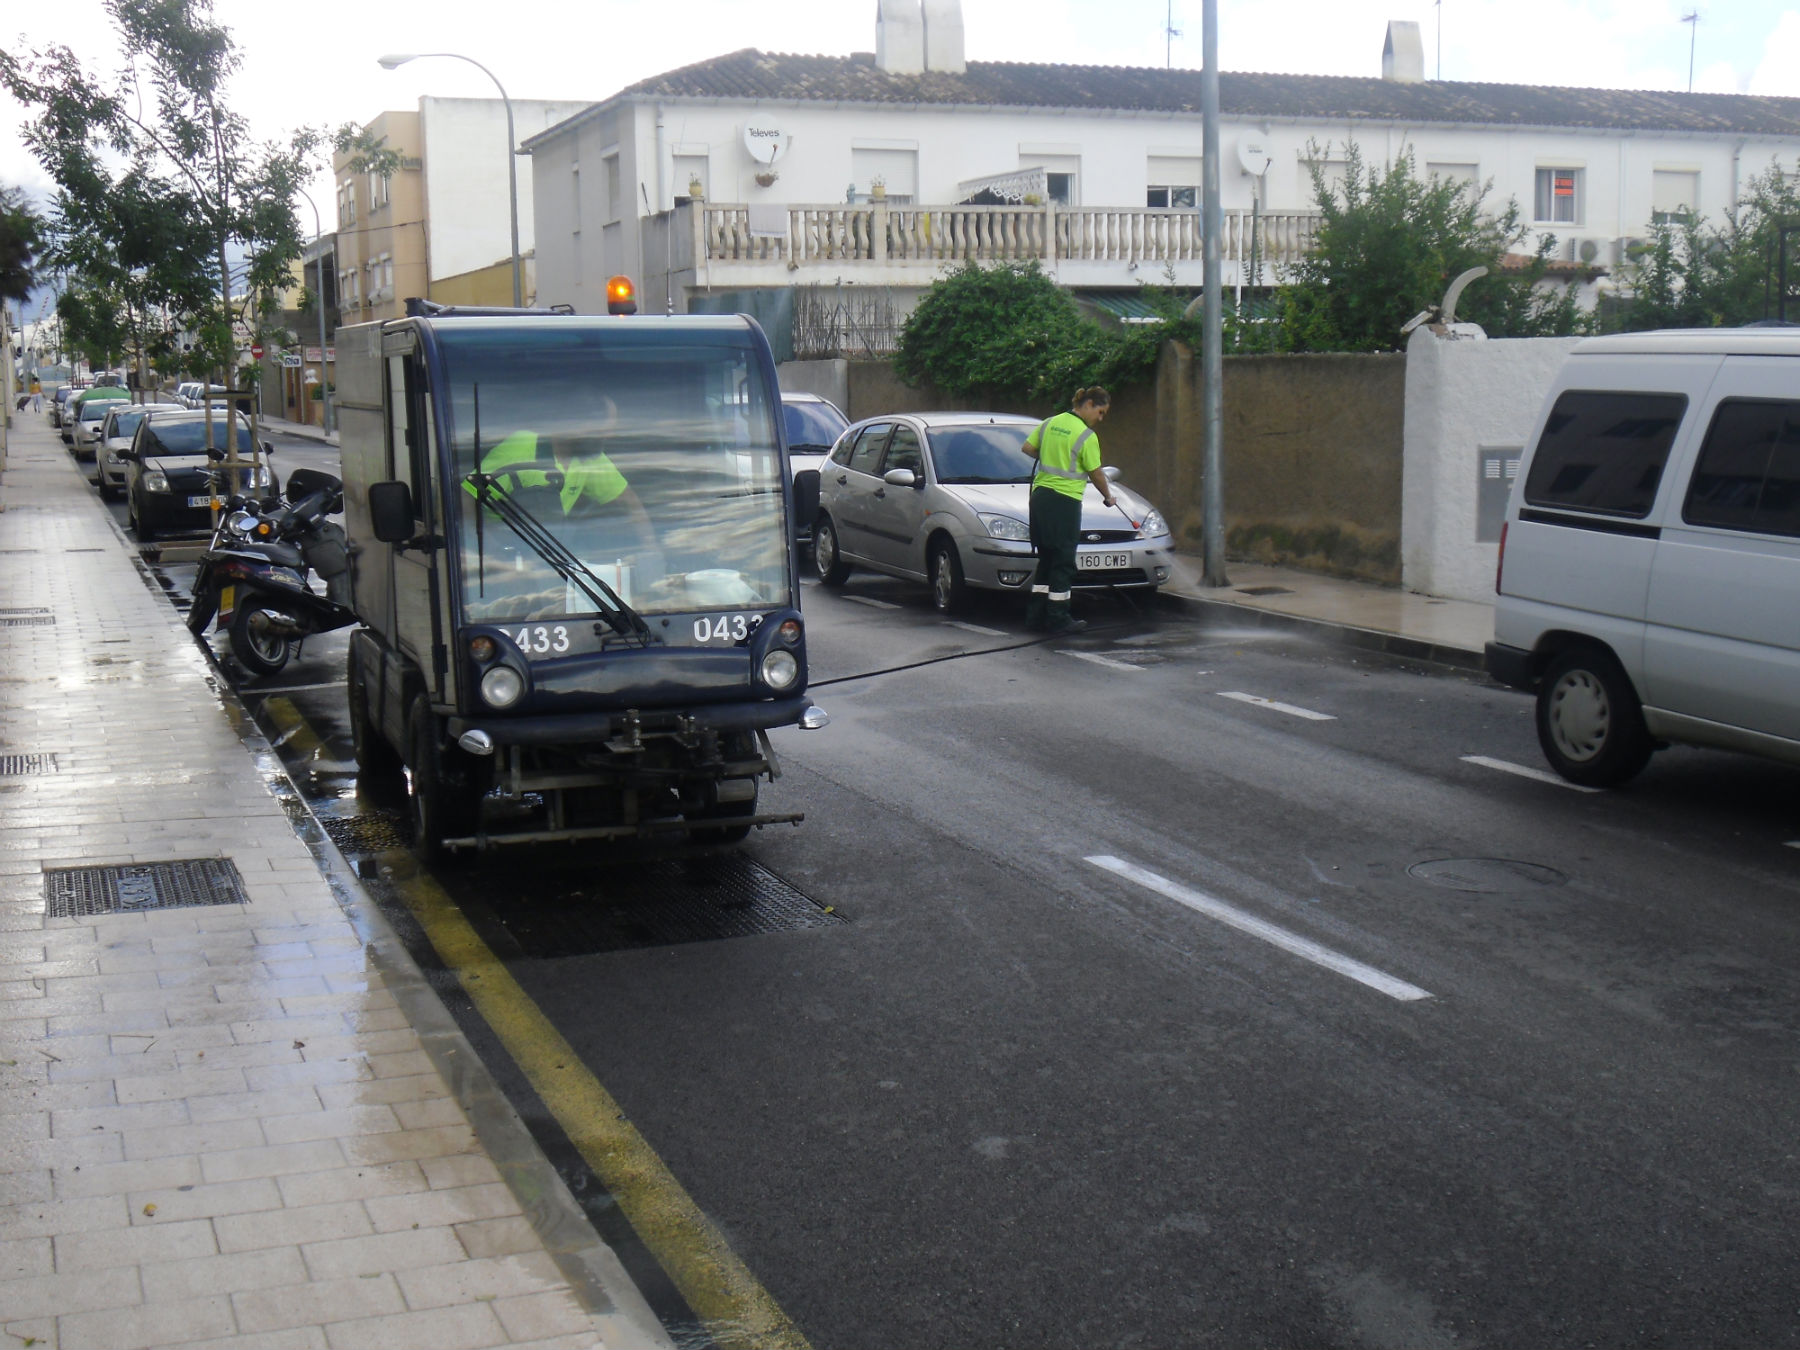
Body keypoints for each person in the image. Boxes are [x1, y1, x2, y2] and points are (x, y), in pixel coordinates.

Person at [1021, 386, 1117, 634]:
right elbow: (1096, 473)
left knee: (1047, 559)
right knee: (1063, 561)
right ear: (1088, 405)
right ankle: (1058, 618)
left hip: (1040, 498)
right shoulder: (1086, 435)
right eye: (1101, 412)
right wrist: (1108, 496)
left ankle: (1035, 616)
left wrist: (1052, 453)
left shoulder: (1050, 423)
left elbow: (1028, 449)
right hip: (1064, 502)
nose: (1101, 418)